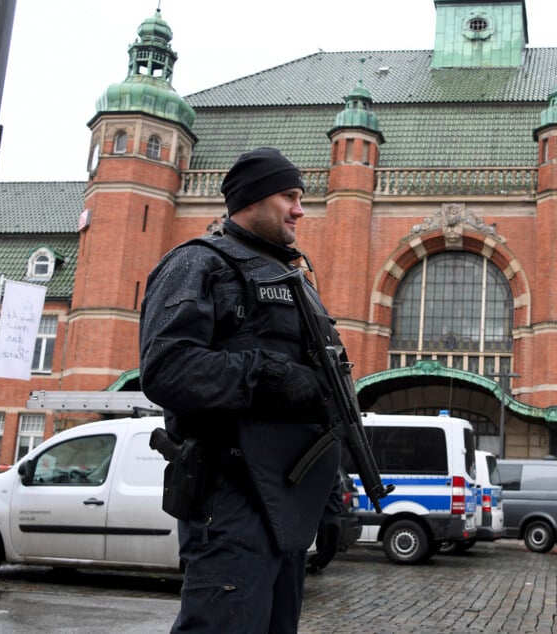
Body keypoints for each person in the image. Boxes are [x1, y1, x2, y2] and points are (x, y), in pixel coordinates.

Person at [140, 147, 342, 633]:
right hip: (229, 498)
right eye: (289, 196)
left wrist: (330, 499)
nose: (300, 209)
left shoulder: (295, 280)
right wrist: (266, 375)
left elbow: (326, 405)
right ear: (252, 199)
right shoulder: (199, 263)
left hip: (288, 506)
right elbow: (165, 367)